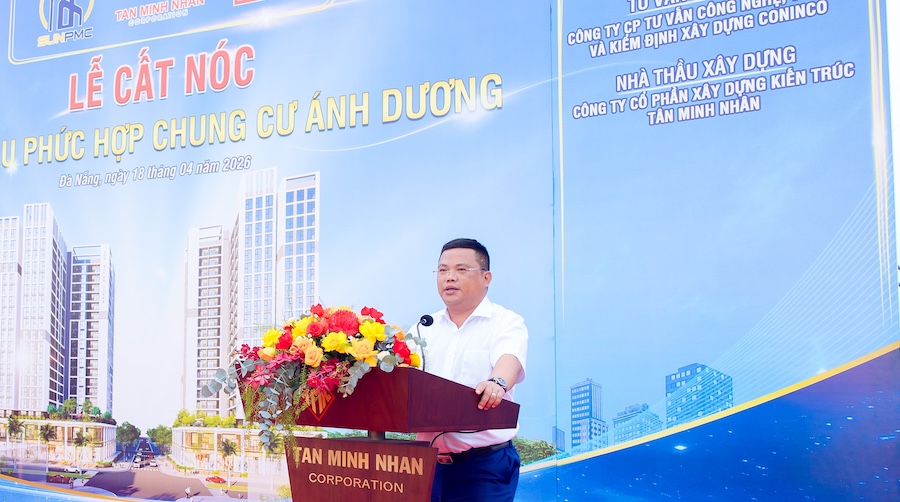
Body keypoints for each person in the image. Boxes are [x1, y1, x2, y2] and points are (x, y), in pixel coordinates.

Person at [415, 238, 528, 502]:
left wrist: (497, 383)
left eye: (461, 270)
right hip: (427, 466)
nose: (449, 277)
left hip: (483, 466)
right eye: (443, 270)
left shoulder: (506, 322)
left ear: (486, 277)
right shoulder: (423, 328)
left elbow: (509, 360)